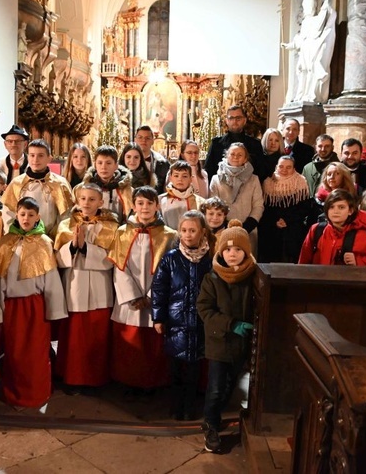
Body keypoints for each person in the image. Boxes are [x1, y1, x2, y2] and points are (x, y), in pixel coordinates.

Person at [0, 197, 66, 410]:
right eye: (22, 214)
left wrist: (54, 310)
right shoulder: (5, 242)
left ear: (38, 217)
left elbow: (51, 280)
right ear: (16, 214)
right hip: (12, 307)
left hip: (35, 306)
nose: (26, 218)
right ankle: (15, 394)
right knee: (14, 352)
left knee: (36, 352)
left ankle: (38, 393)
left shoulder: (43, 243)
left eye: (31, 215)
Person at [107, 186, 176, 396]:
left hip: (154, 299)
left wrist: (150, 297)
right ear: (133, 205)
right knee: (128, 345)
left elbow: (168, 271)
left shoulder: (169, 235)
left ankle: (154, 385)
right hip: (130, 301)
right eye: (140, 203)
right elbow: (119, 267)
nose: (144, 207)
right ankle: (127, 384)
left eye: (149, 203)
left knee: (153, 347)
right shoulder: (122, 232)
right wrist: (133, 295)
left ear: (157, 205)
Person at [197, 220, 256, 453]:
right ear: (221, 252)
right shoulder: (212, 278)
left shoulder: (253, 276)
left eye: (238, 250)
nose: (232, 254)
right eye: (228, 250)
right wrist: (231, 324)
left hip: (241, 344)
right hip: (220, 342)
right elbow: (204, 309)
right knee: (216, 387)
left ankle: (217, 415)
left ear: (247, 252)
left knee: (231, 383)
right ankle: (210, 423)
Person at [54, 184, 119, 393]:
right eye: (82, 198)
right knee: (74, 336)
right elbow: (57, 257)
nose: (86, 203)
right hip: (75, 283)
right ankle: (72, 378)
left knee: (97, 335)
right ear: (77, 201)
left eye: (92, 199)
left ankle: (95, 380)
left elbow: (111, 259)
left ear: (101, 202)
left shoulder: (111, 226)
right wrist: (73, 246)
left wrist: (85, 247)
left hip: (100, 286)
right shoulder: (66, 224)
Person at [152, 211, 213, 421]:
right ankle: (176, 407)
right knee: (176, 368)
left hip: (200, 322)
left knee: (195, 370)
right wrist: (158, 317)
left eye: (193, 230)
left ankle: (190, 407)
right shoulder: (171, 258)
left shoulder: (210, 258)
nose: (188, 235)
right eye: (184, 230)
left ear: (202, 232)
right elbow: (159, 288)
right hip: (176, 322)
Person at [0, 139, 74, 235]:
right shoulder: (16, 183)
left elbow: (65, 216)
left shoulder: (60, 184)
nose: (35, 159)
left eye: (40, 155)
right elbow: (8, 214)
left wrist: (53, 239)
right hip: (21, 239)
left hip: (50, 240)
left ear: (49, 158)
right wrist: (16, 236)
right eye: (32, 155)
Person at [298, 189, 366, 265]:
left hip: (345, 281)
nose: (336, 211)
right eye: (331, 207)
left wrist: (357, 260)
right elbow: (304, 259)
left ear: (350, 211)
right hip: (319, 280)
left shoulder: (359, 235)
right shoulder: (316, 230)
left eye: (341, 207)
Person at [281, 0, 337, 103]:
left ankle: (311, 94)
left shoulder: (314, 20)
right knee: (303, 71)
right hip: (305, 50)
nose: (306, 9)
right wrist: (290, 45)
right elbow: (300, 39)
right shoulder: (306, 21)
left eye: (307, 6)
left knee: (311, 71)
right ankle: (302, 94)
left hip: (313, 49)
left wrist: (325, 8)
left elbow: (323, 22)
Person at [209, 143, 264, 254]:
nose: (235, 157)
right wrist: (224, 225)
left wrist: (247, 226)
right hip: (222, 230)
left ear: (245, 159)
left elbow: (258, 205)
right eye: (232, 154)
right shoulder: (216, 179)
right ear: (226, 156)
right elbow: (213, 205)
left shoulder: (254, 179)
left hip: (248, 230)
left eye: (240, 155)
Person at [259, 156, 312, 263]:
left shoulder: (301, 181)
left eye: (288, 167)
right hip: (272, 228)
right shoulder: (267, 182)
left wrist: (287, 220)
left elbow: (304, 207)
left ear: (294, 169)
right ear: (276, 167)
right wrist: (276, 220)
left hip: (293, 228)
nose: (284, 170)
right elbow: (265, 207)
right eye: (281, 166)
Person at [204, 106, 268, 183]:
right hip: (222, 188)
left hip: (248, 187)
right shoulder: (216, 143)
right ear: (227, 121)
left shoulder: (255, 144)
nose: (235, 121)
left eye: (238, 118)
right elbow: (209, 170)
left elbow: (261, 171)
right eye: (231, 118)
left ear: (244, 120)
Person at [81, 145, 133, 221]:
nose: (103, 167)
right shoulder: (83, 189)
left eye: (108, 163)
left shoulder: (127, 191)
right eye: (100, 163)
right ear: (95, 165)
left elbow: (132, 216)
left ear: (116, 165)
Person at [159, 160, 205, 230]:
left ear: (191, 179)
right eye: (176, 175)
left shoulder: (201, 202)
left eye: (185, 176)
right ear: (170, 178)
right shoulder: (160, 200)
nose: (180, 179)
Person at [133, 126, 169, 193]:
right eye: (140, 137)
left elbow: (166, 187)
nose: (144, 140)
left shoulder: (163, 163)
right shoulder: (127, 160)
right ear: (135, 140)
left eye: (147, 138)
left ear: (153, 141)